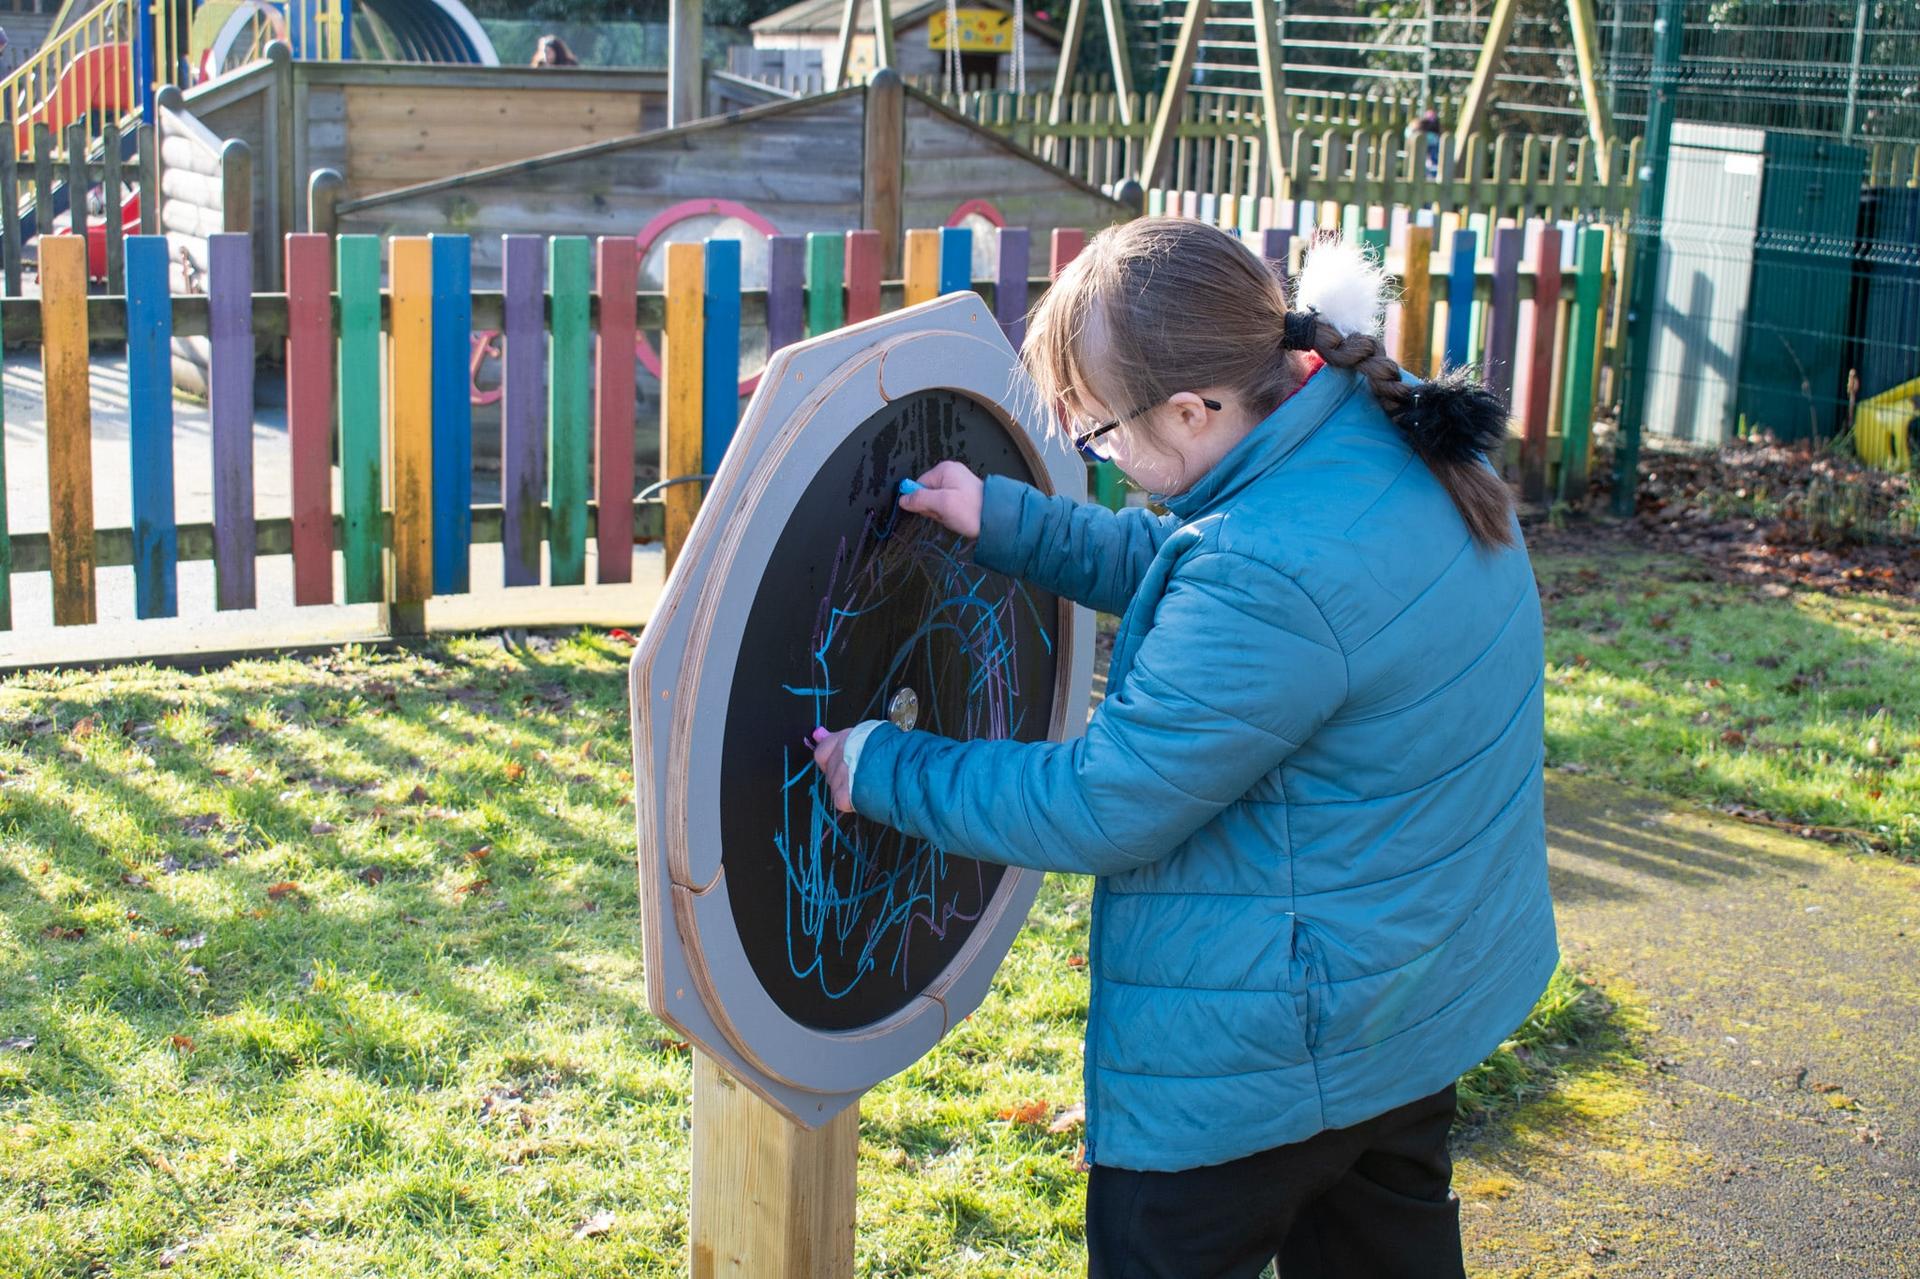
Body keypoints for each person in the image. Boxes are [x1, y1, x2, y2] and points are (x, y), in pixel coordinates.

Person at [810, 217, 1556, 1278]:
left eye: (1102, 434)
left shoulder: (1270, 574)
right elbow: (1205, 568)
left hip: (1267, 1056)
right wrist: (1013, 521)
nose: (1100, 455)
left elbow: (1103, 801)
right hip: (1403, 1000)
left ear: (1195, 409)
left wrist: (883, 764)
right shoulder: (1379, 436)